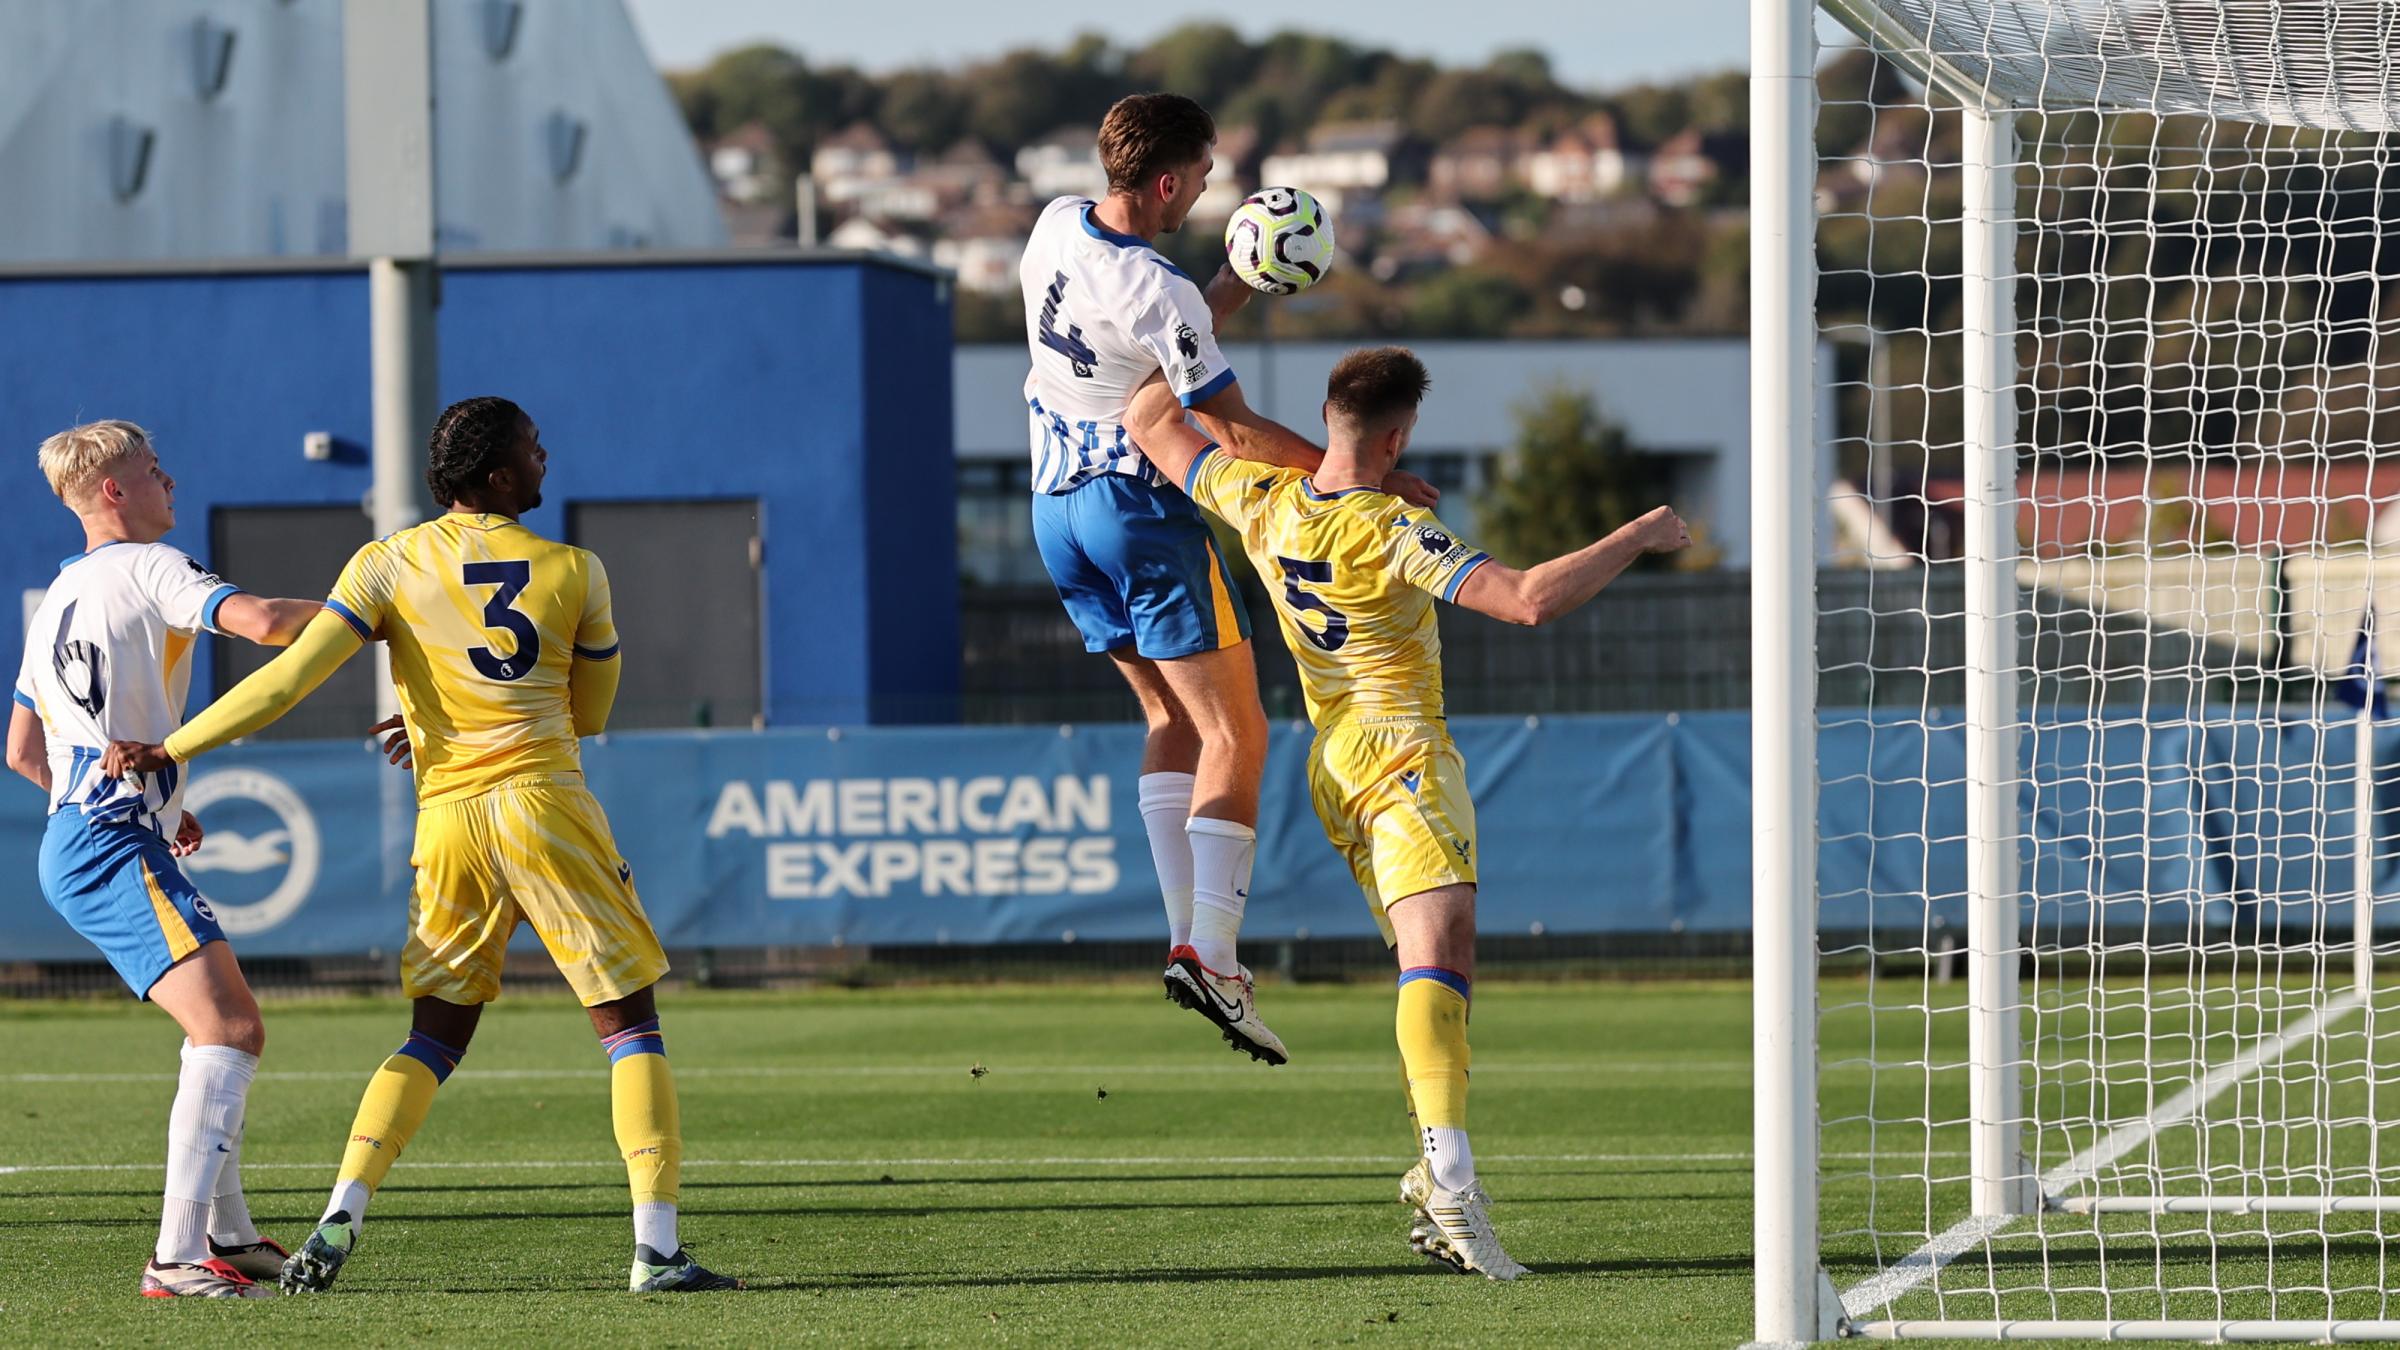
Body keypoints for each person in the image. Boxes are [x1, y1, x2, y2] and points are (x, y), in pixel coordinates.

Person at [103, 397, 740, 1295]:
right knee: (629, 1026)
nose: (545, 456)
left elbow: (287, 680)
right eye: (531, 447)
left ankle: (338, 1217)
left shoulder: (387, 561)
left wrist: (173, 746)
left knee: (432, 1038)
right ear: (494, 476)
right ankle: (658, 1253)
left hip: (447, 819)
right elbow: (587, 715)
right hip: (543, 805)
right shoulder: (574, 570)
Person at [1125, 349, 1690, 1279]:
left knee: (1437, 967)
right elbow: (1527, 603)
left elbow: (1151, 419)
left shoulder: (1264, 499)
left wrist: (1196, 306)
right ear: (1400, 437)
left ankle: (1440, 1174)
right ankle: (1453, 1184)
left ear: (1328, 416)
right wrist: (1638, 532)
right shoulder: (1392, 529)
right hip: (1403, 758)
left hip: (1332, 762)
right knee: (1440, 959)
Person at [1020, 91, 1438, 1064]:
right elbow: (1232, 427)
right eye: (1203, 176)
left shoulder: (1054, 227)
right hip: (1139, 518)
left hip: (1057, 512)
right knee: (1236, 730)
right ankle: (1211, 949)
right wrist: (1367, 472)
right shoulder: (1160, 292)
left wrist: (1233, 286)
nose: (1207, 189)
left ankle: (1191, 945)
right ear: (1167, 180)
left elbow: (1151, 348)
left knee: (1171, 724)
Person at [8, 421, 324, 1297]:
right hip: (106, 841)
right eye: (153, 471)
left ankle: (227, 1232)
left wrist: (148, 807)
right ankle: (177, 1258)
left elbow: (22, 750)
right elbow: (261, 625)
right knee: (230, 1029)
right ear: (113, 490)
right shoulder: (153, 564)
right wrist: (363, 615)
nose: (170, 482)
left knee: (220, 1027)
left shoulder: (57, 600)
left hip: (89, 835)